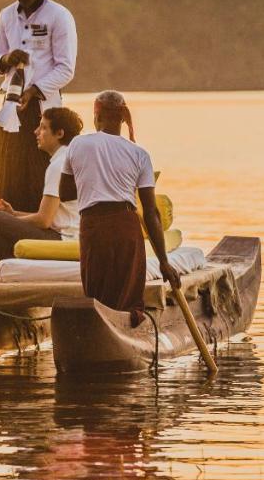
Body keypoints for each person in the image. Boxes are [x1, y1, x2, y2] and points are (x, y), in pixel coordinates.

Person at [59, 91, 180, 324]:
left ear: (97, 116)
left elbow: (65, 193)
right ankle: (126, 326)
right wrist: (164, 261)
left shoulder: (78, 144)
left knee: (98, 292)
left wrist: (91, 181)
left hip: (93, 225)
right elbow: (151, 212)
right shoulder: (140, 154)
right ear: (122, 119)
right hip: (126, 225)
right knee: (127, 294)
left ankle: (103, 330)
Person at [0, 0, 78, 211]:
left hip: (44, 108)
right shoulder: (6, 15)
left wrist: (34, 90)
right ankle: (8, 227)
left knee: (41, 173)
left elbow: (66, 68)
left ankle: (44, 227)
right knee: (9, 173)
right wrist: (6, 59)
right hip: (11, 106)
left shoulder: (59, 15)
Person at [0, 106, 84, 269]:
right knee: (2, 216)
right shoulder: (70, 158)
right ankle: (4, 262)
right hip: (71, 234)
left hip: (64, 239)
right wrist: (14, 214)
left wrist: (12, 219)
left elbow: (44, 220)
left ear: (59, 134)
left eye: (43, 128)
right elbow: (50, 217)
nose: (36, 132)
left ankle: (3, 265)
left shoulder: (58, 166)